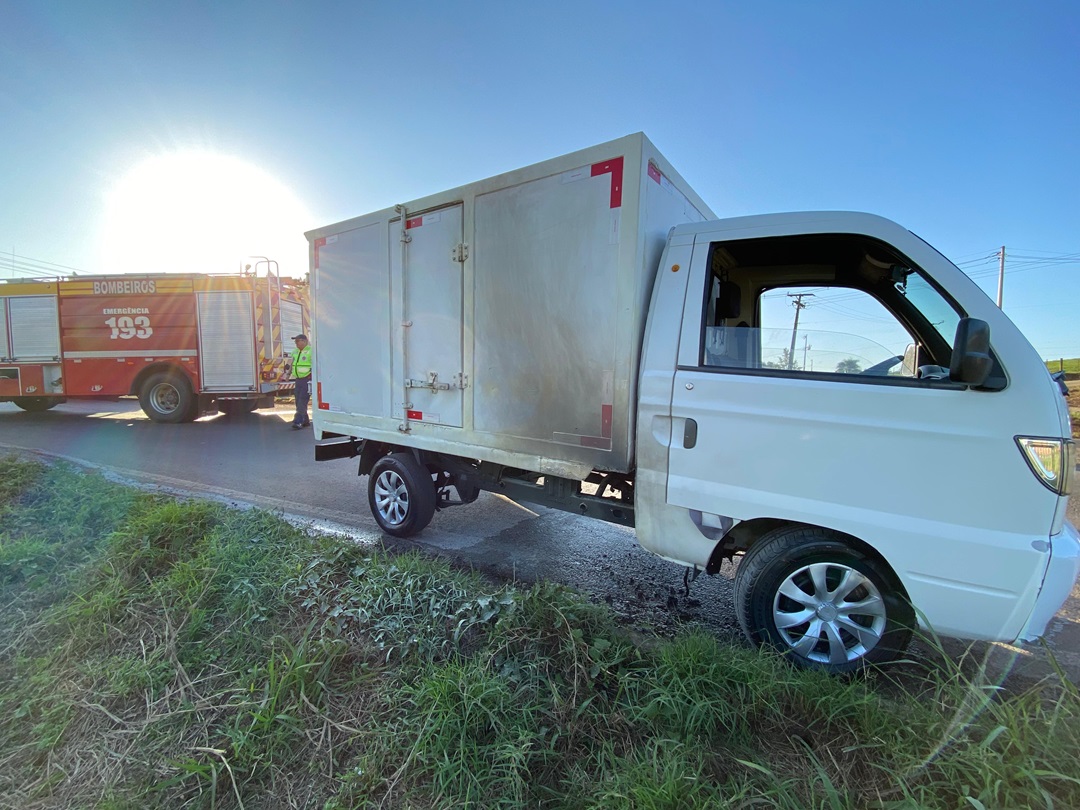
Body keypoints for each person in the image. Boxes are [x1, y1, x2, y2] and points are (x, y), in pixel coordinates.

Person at [288, 333, 312, 429]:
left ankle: (298, 421)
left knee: (302, 400)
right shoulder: (295, 351)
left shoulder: (311, 351)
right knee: (298, 400)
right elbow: (291, 364)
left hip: (307, 379)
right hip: (298, 379)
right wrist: (287, 374)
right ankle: (305, 420)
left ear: (305, 341)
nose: (296, 343)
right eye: (295, 341)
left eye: (298, 341)